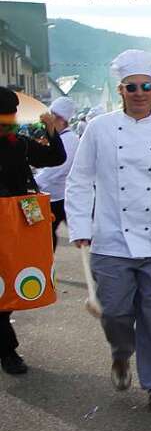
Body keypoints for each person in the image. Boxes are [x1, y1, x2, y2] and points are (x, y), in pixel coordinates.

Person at [65, 49, 151, 413]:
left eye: (146, 86)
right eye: (131, 87)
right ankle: (121, 352)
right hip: (111, 237)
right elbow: (79, 181)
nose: (139, 92)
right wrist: (79, 225)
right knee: (115, 312)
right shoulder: (99, 129)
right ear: (121, 89)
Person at [0, 87, 66, 375]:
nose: (8, 126)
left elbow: (54, 158)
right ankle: (8, 350)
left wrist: (51, 131)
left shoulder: (20, 144)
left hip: (15, 225)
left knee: (11, 282)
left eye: (9, 121)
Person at [33, 96, 79, 248]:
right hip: (52, 194)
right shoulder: (60, 137)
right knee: (45, 233)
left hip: (58, 197)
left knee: (45, 233)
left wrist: (34, 184)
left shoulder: (70, 140)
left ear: (60, 119)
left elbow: (55, 170)